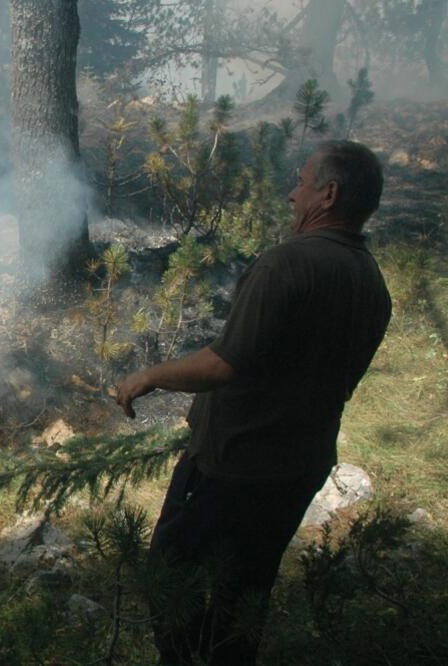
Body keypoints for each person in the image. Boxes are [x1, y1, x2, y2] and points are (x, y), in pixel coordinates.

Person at [114, 140, 392, 665]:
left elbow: (223, 364)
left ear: (328, 194)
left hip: (233, 465)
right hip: (298, 467)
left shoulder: (285, 264)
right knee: (245, 595)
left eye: (303, 182)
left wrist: (149, 374)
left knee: (170, 576)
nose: (292, 194)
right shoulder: (372, 282)